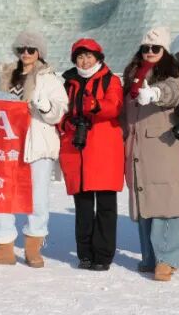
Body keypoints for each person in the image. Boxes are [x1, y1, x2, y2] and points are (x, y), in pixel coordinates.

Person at [0, 30, 68, 268]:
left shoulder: (49, 78)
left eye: (31, 49)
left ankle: (33, 247)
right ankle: (4, 247)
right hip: (7, 143)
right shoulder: (6, 76)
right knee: (2, 193)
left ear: (39, 52)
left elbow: (60, 111)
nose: (26, 54)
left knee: (37, 197)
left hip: (37, 142)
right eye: (22, 49)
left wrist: (45, 106)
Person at [122, 27, 179, 281]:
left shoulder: (172, 73)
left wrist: (154, 93)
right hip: (138, 147)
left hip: (164, 147)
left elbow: (172, 91)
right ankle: (151, 257)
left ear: (164, 50)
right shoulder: (133, 75)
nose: (150, 52)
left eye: (155, 48)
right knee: (145, 200)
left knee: (167, 202)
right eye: (145, 48)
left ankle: (167, 259)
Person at [58, 38, 124, 272]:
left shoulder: (111, 80)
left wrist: (96, 105)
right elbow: (61, 111)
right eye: (80, 57)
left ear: (98, 58)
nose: (84, 61)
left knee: (106, 207)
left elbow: (115, 106)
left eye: (88, 56)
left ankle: (103, 255)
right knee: (83, 208)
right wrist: (65, 124)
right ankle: (85, 254)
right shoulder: (69, 83)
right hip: (78, 150)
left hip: (104, 150)